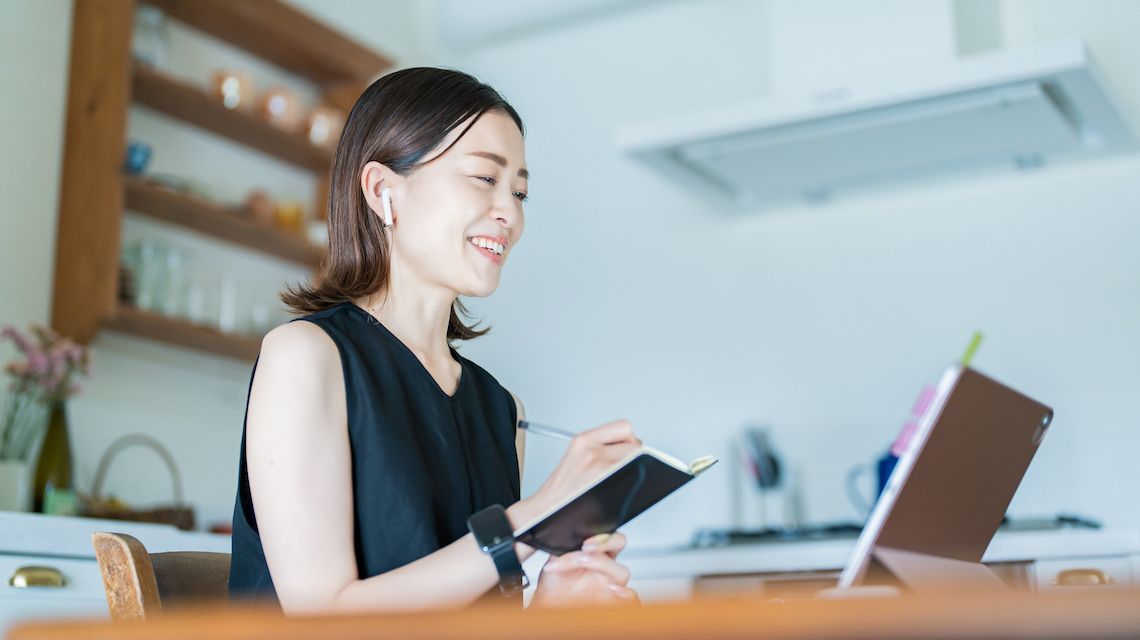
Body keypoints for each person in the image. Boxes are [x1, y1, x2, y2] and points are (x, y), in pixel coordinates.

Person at [228, 67, 643, 612]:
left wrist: (549, 606)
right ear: (383, 192)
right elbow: (322, 612)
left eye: (520, 191)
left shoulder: (499, 409)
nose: (510, 214)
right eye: (484, 179)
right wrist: (530, 519)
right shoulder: (306, 356)